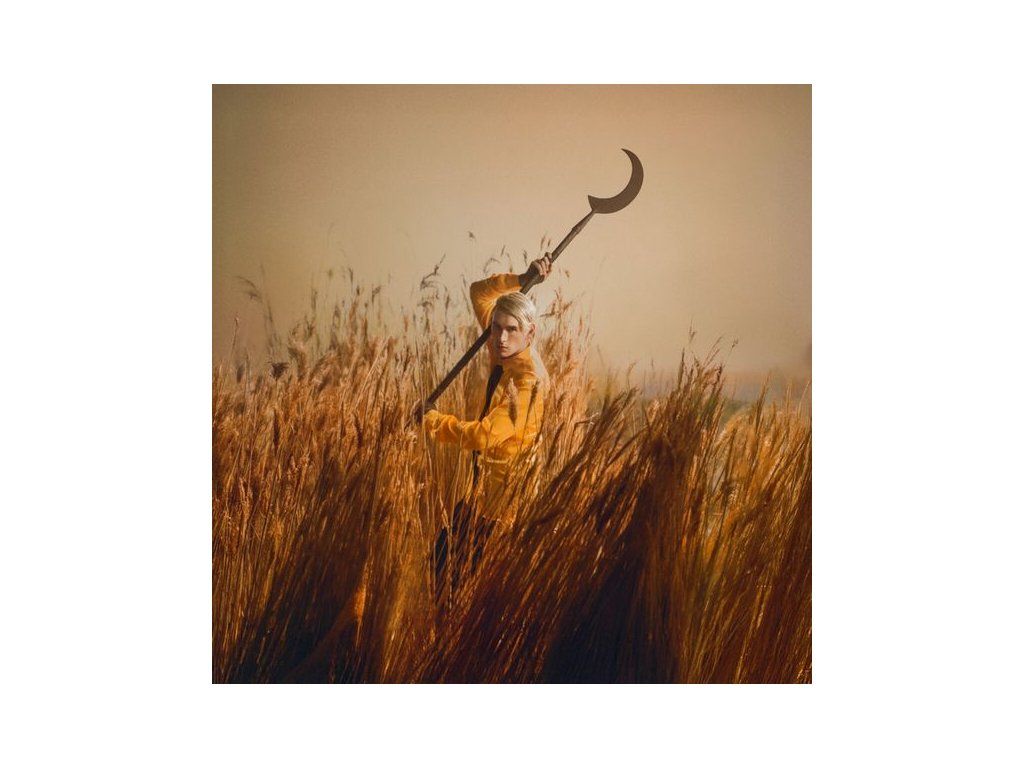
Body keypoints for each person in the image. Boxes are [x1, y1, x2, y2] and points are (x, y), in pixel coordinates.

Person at [414, 254, 552, 607]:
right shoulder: (502, 350)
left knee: (462, 596)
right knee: (437, 576)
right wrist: (521, 277)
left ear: (530, 333)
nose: (501, 338)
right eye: (496, 328)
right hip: (479, 501)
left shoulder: (528, 383)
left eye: (512, 330)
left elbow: (482, 436)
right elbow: (479, 292)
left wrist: (431, 420)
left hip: (502, 513)